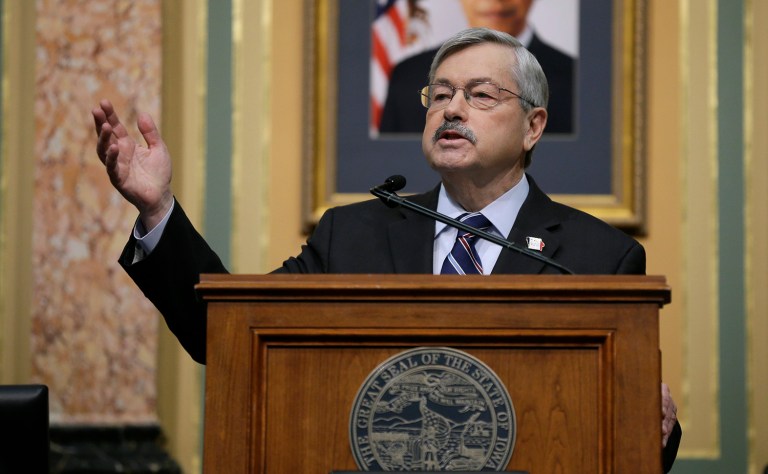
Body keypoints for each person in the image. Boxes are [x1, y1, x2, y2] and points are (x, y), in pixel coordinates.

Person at [93, 27, 679, 470]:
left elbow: (632, 429)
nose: (451, 109)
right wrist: (156, 209)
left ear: (533, 127)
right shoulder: (353, 234)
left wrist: (660, 429)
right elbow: (224, 336)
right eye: (440, 94)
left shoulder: (598, 256)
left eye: (480, 95)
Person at [380, 0, 574, 134]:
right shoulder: (407, 76)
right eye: (441, 96)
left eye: (484, 95)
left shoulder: (575, 79)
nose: (495, 1)